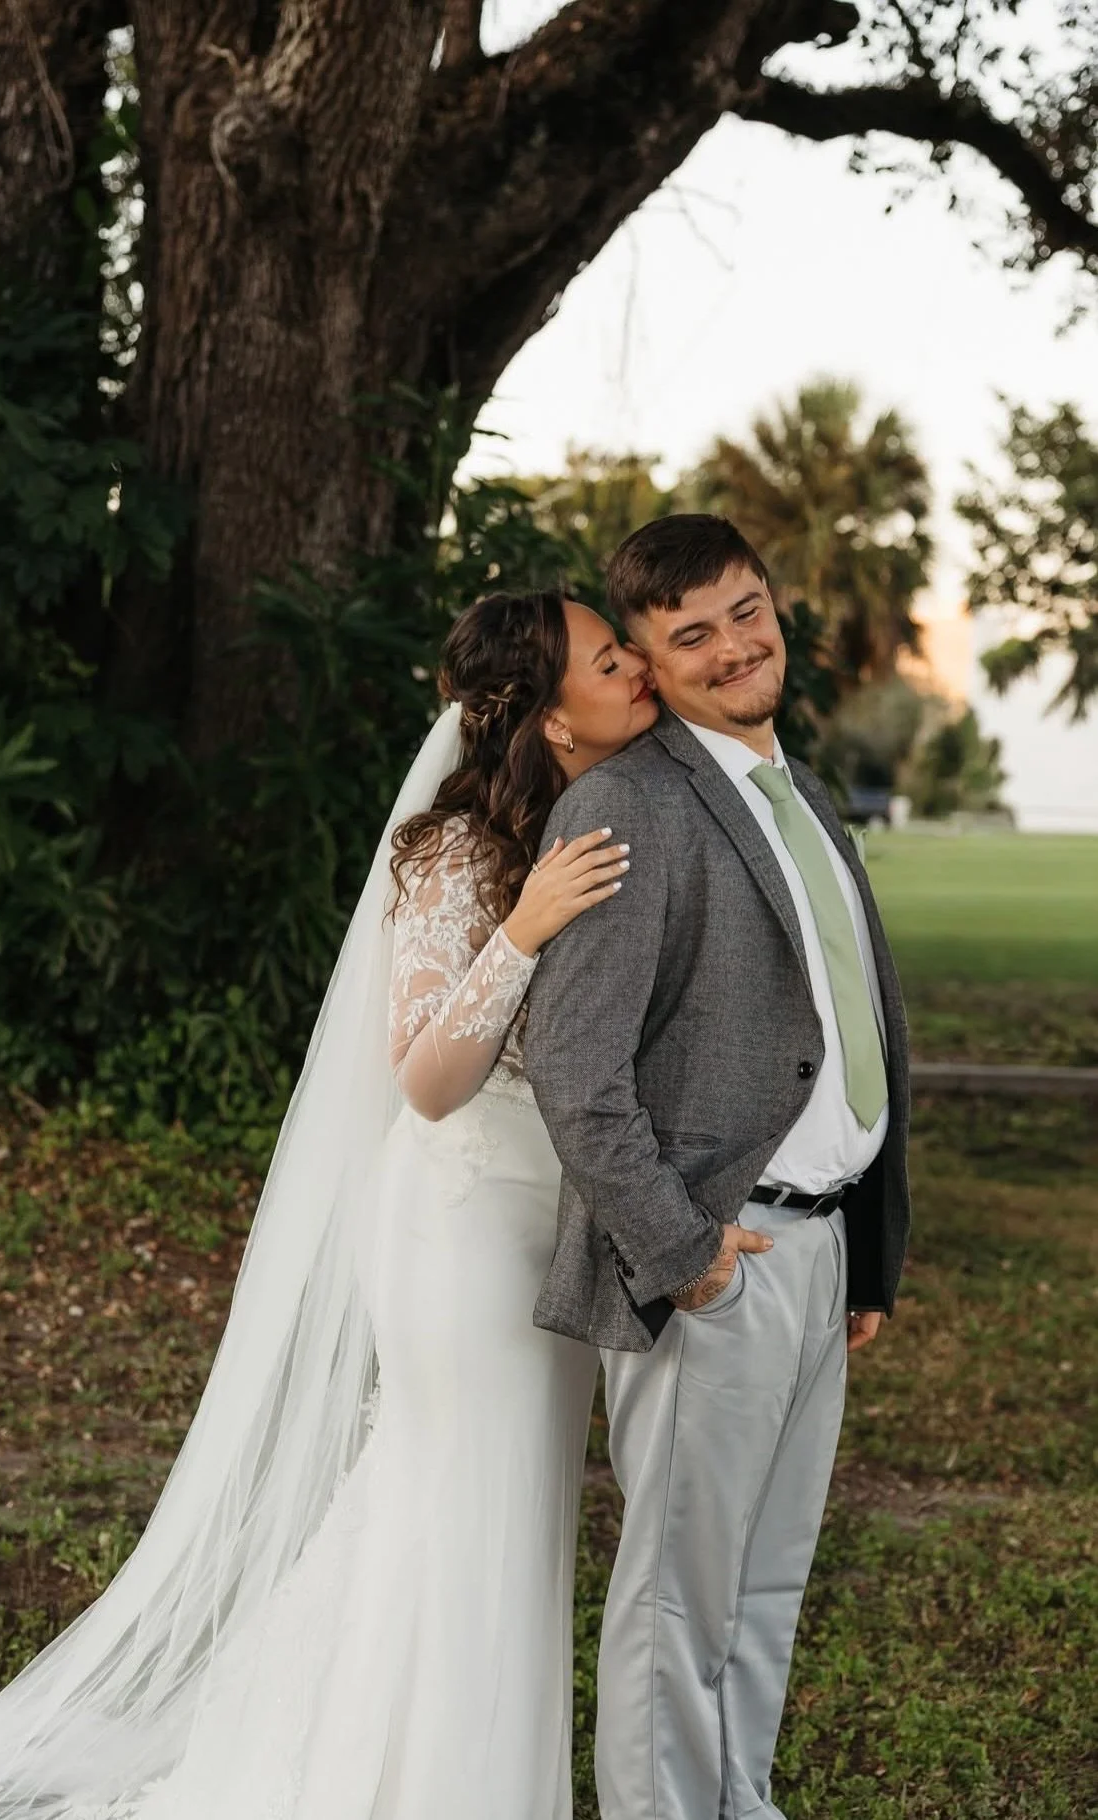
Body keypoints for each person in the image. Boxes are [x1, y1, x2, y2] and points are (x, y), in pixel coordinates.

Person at [0, 589, 655, 1820]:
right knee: (467, 1501)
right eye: (610, 655)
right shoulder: (458, 854)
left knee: (506, 1507)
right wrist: (525, 931)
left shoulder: (581, 825)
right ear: (548, 715)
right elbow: (426, 1079)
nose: (638, 664)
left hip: (546, 1221)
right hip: (464, 1228)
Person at [523, 514, 912, 1820]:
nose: (734, 646)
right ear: (648, 659)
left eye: (745, 610)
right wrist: (683, 1255)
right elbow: (576, 1071)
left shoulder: (802, 795)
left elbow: (850, 1022)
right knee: (677, 1602)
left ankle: (740, 1803)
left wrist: (869, 1246)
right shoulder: (627, 804)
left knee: (764, 1583)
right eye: (691, 634)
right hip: (719, 1255)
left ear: (772, 604)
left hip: (822, 1249)